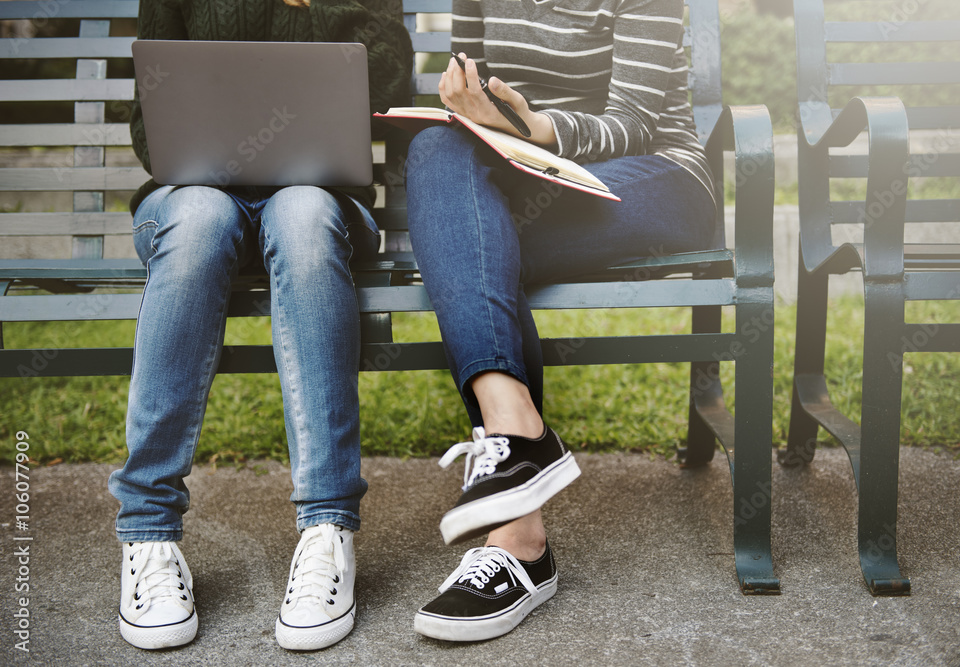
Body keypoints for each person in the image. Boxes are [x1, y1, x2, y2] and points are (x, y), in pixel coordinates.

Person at [405, 0, 718, 642]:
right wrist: (474, 115)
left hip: (654, 177)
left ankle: (517, 535)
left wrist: (537, 127)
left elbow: (635, 121)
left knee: (473, 245)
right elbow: (478, 102)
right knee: (439, 148)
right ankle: (516, 442)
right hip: (531, 180)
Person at [107, 0, 412, 652]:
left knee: (301, 215)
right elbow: (148, 120)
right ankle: (147, 531)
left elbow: (390, 83)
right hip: (192, 194)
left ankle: (327, 530)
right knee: (197, 222)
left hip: (319, 190)